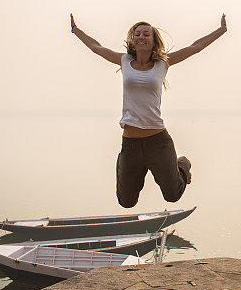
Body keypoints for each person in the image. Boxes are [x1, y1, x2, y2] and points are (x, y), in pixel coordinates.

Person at [70, 13, 227, 207]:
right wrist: (75, 30)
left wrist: (221, 30)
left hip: (158, 142)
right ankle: (123, 162)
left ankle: (182, 164)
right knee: (126, 202)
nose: (141, 37)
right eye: (137, 34)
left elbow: (195, 48)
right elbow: (96, 48)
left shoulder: (163, 63)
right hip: (130, 144)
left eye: (146, 34)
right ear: (133, 40)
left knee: (172, 195)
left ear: (153, 41)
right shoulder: (124, 61)